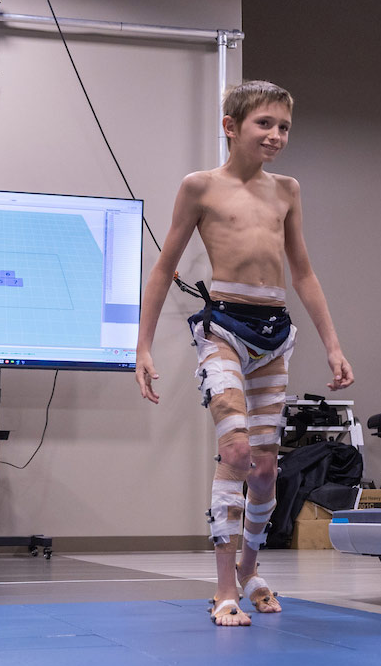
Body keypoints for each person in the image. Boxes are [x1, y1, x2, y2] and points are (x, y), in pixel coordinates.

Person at [135, 80, 354, 627]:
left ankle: (253, 570)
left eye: (283, 127)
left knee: (263, 469)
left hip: (274, 336)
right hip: (223, 330)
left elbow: (302, 271)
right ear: (231, 127)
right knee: (234, 451)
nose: (276, 135)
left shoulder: (287, 191)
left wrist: (333, 345)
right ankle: (224, 587)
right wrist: (140, 346)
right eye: (264, 124)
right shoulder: (200, 188)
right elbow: (165, 267)